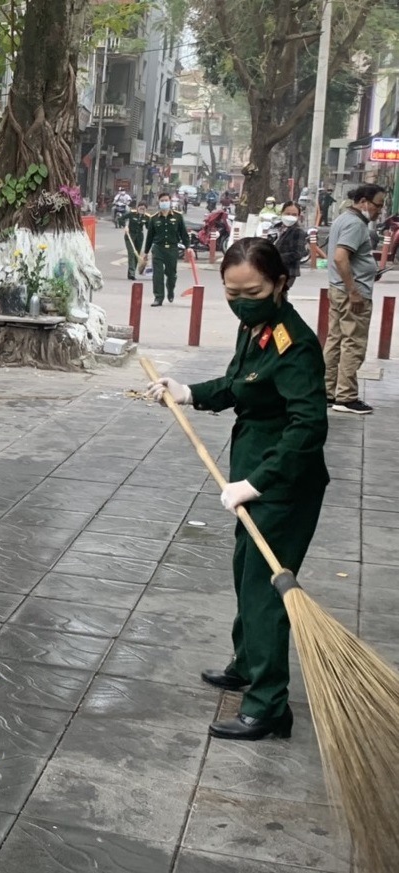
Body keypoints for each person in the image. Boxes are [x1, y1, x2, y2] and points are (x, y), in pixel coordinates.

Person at [146, 238, 328, 741]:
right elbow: (238, 385)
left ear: (280, 284)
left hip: (283, 485)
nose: (241, 300)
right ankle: (247, 664)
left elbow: (308, 427)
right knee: (245, 571)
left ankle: (268, 704)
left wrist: (258, 482)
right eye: (232, 291)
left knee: (266, 590)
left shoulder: (295, 343)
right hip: (253, 476)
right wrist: (187, 392)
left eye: (253, 290)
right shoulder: (258, 329)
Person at [325, 184, 385, 414]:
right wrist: (354, 291)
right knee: (353, 343)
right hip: (351, 294)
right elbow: (341, 258)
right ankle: (346, 397)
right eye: (377, 205)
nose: (379, 210)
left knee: (336, 340)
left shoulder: (343, 219)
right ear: (363, 201)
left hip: (340, 289)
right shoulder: (355, 223)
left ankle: (328, 391)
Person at [138, 193, 190, 306]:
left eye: (166, 200)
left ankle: (170, 290)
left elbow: (184, 234)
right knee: (157, 274)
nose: (164, 202)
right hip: (158, 249)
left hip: (172, 249)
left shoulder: (178, 216)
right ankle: (158, 297)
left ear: (170, 201)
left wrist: (188, 248)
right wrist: (146, 252)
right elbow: (150, 237)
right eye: (162, 200)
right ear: (159, 202)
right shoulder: (154, 218)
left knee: (171, 274)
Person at [274, 201, 308, 287]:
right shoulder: (277, 228)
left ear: (298, 216)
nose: (290, 217)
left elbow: (297, 253)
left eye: (294, 214)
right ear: (282, 213)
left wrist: (275, 258)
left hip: (288, 271)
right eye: (287, 213)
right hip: (273, 270)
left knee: (279, 295)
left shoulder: (298, 231)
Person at [125, 202, 148, 280]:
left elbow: (149, 227)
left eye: (143, 209)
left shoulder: (147, 217)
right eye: (140, 208)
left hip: (139, 237)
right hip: (130, 235)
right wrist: (125, 226)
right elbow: (121, 219)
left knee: (136, 255)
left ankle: (131, 272)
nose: (142, 210)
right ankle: (132, 273)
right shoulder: (132, 214)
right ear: (137, 208)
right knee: (131, 253)